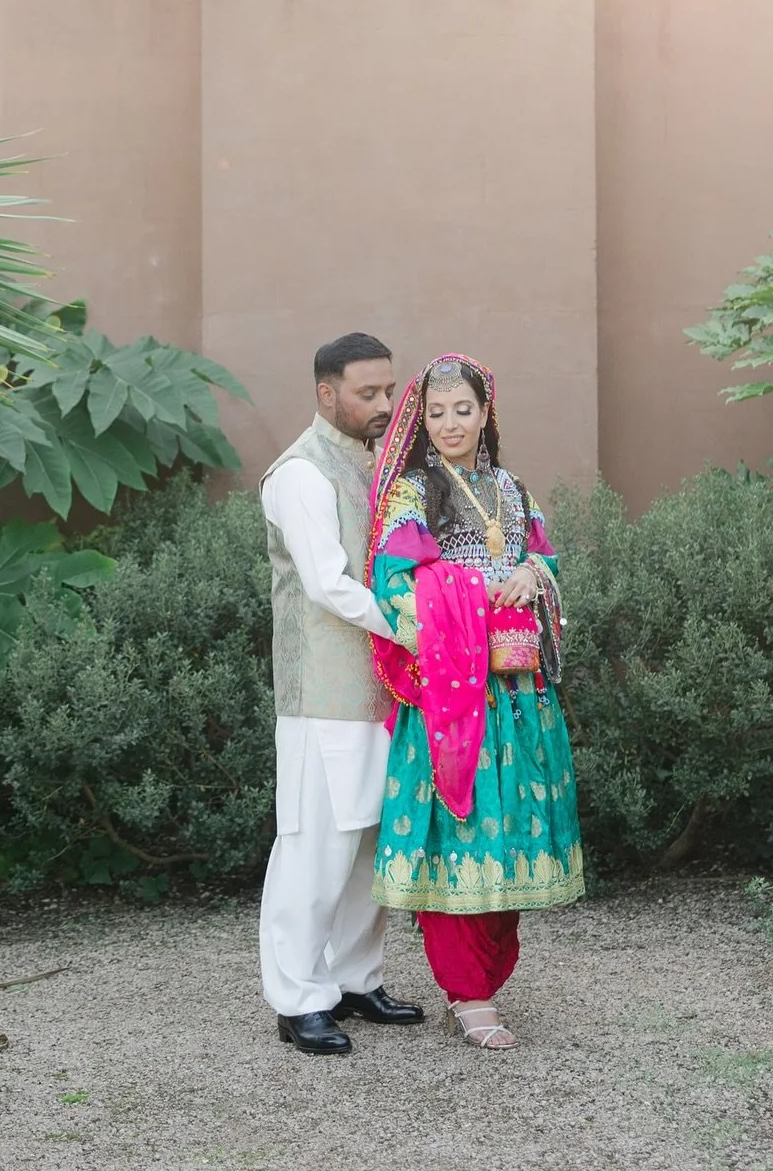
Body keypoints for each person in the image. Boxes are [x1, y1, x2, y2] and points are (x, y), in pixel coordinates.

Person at [366, 354, 584, 1050]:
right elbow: (393, 581)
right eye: (436, 412)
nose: (450, 423)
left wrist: (528, 573)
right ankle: (467, 990)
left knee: (510, 826)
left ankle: (485, 976)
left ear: (486, 412)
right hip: (454, 698)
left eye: (463, 409)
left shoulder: (513, 489)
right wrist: (465, 598)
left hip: (519, 697)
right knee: (460, 833)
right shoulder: (412, 492)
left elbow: (546, 557)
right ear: (421, 421)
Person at [258, 333, 426, 1056]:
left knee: (369, 846)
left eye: (389, 390)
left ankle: (356, 980)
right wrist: (421, 630)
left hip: (383, 692)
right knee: (315, 848)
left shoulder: (381, 466)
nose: (384, 405)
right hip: (322, 695)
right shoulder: (299, 473)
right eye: (368, 393)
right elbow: (328, 584)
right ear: (326, 393)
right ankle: (297, 1000)